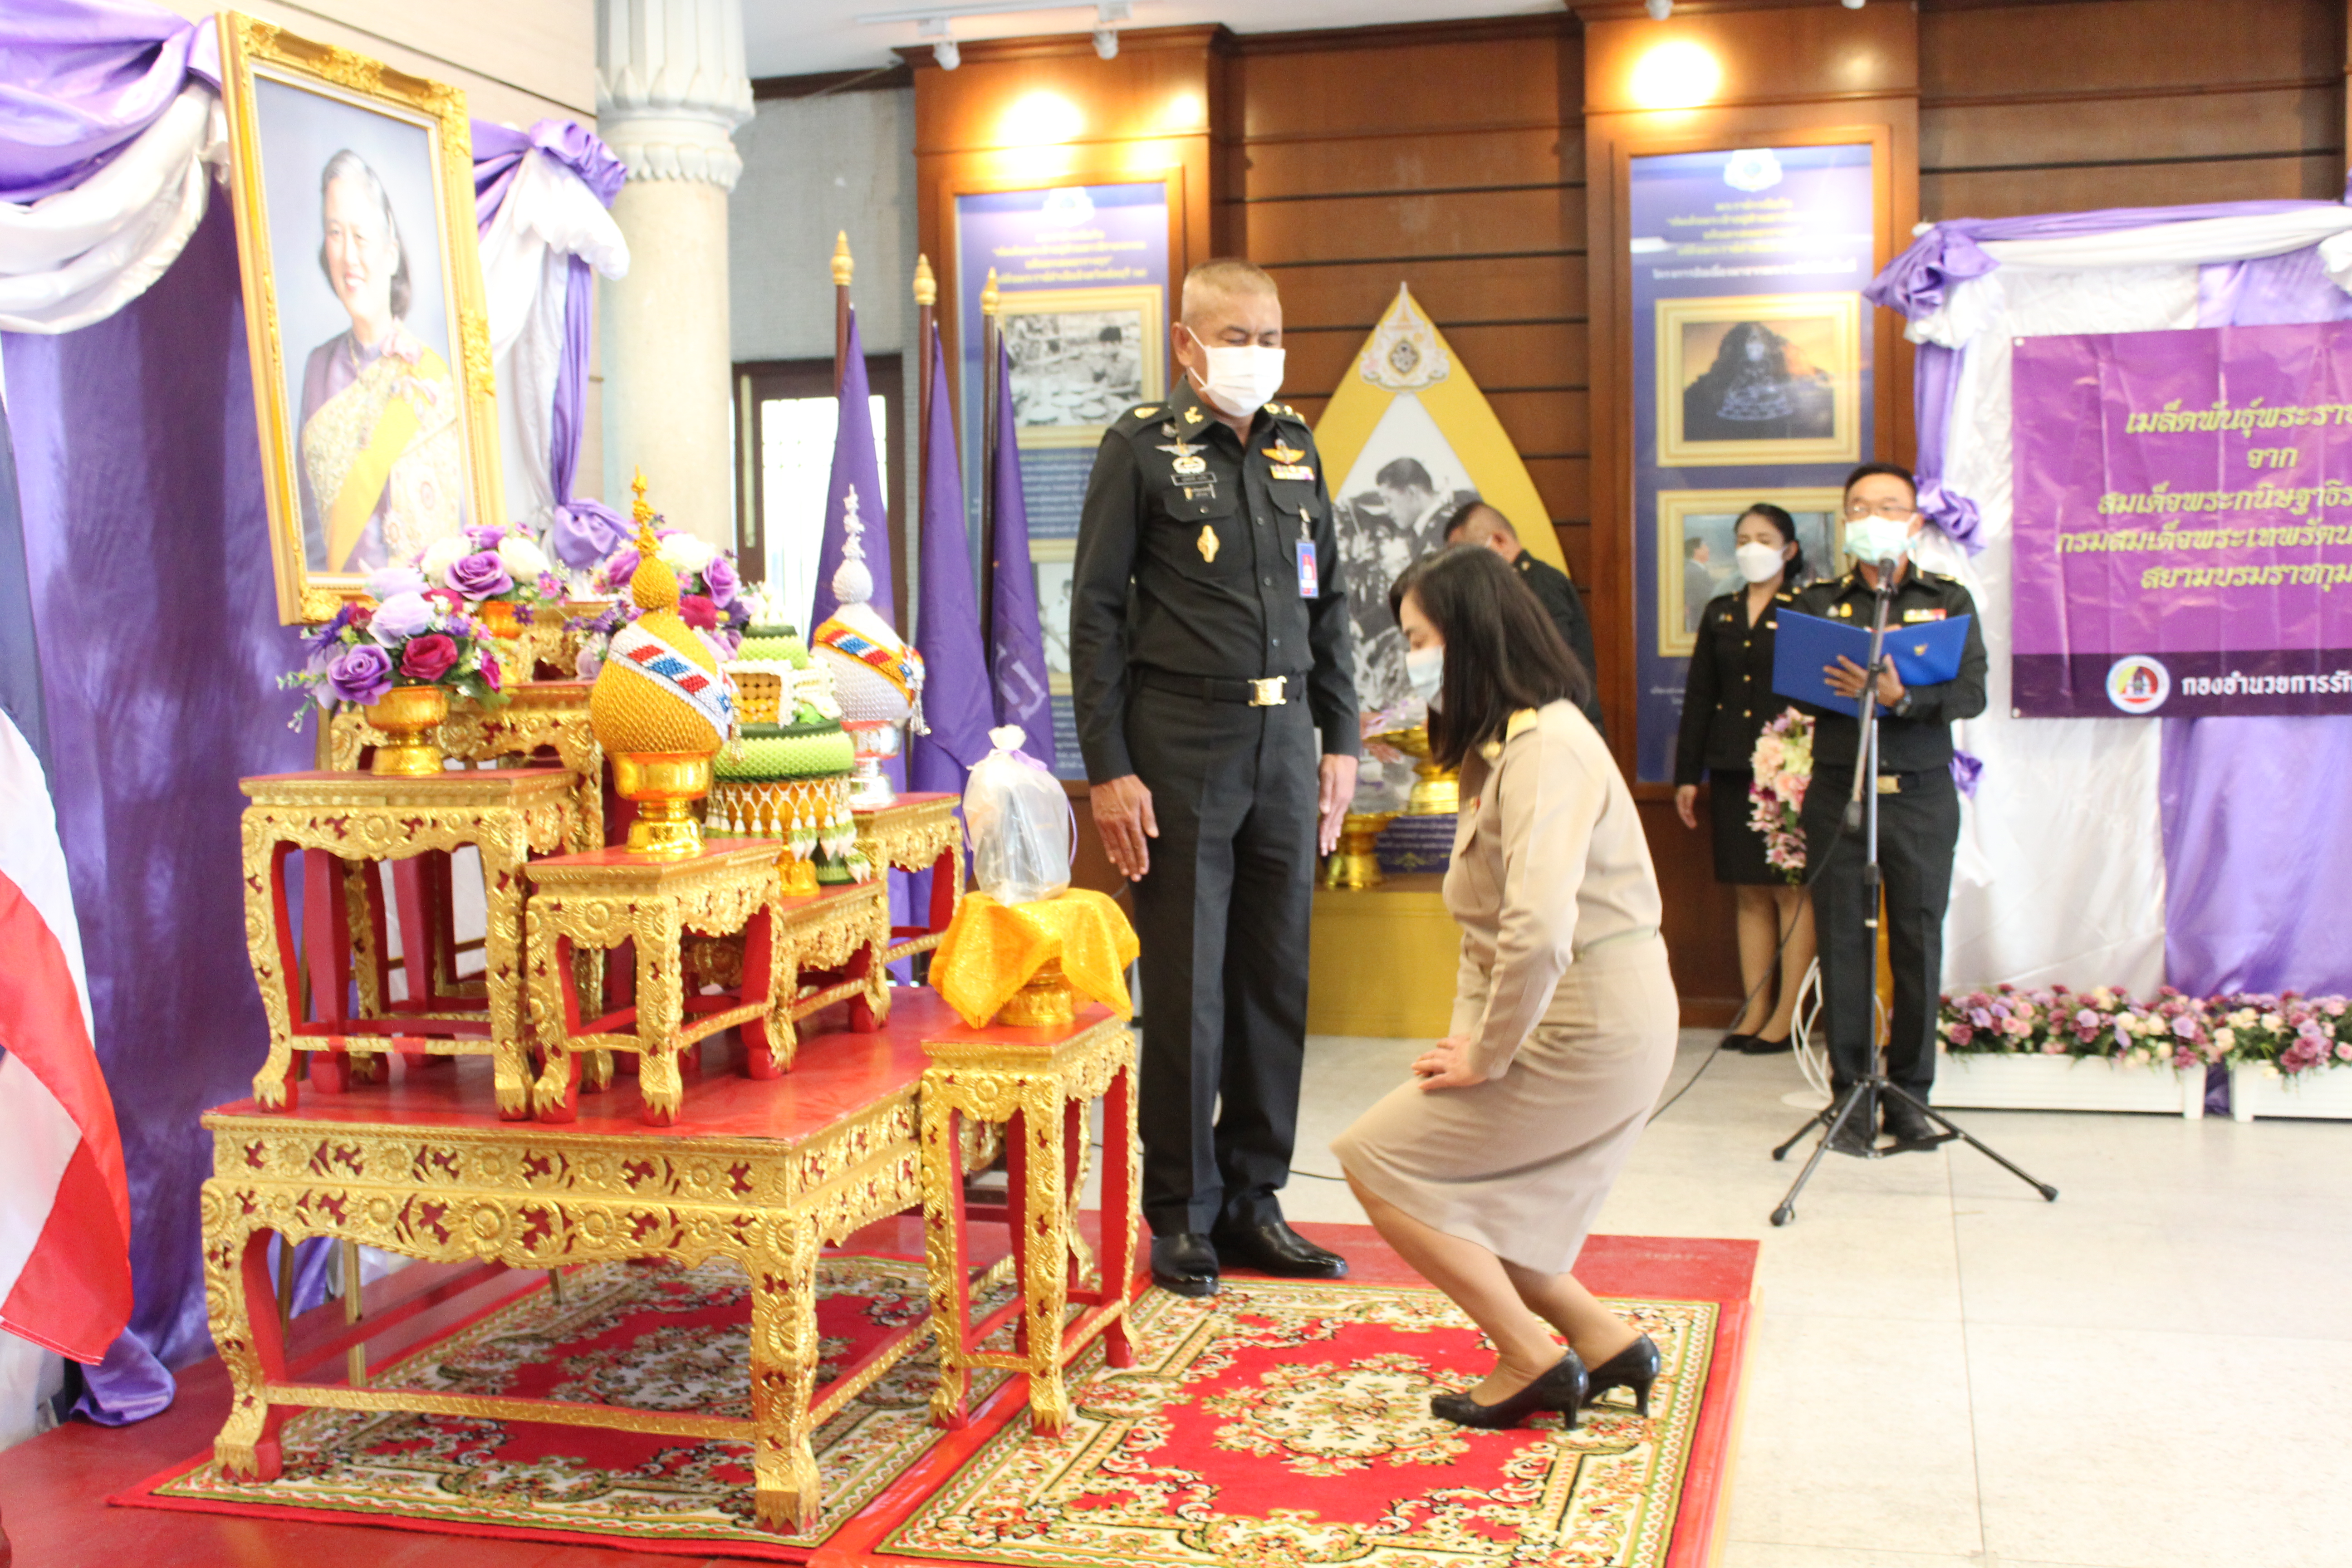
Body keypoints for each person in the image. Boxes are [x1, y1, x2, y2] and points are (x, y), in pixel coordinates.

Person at [1333, 545, 1677, 1430]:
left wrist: (1490, 1052)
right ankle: (1606, 1344)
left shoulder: (1549, 746)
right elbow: (1484, 934)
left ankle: (1529, 1354)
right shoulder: (1498, 750)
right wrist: (1468, 1041)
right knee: (1482, 1198)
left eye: (1419, 639)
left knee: (1379, 1159)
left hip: (1594, 1016)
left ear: (1471, 636)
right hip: (1565, 1009)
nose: (1411, 659)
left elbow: (1538, 929)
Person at [1071, 257, 1360, 1297]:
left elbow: (1331, 603)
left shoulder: (1294, 445)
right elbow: (1095, 617)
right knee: (1189, 991)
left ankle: (1254, 1198)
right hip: (1180, 744)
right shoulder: (1139, 449)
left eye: (1271, 333)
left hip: (1285, 743)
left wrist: (1342, 741)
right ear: (1188, 346)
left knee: (1274, 982)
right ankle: (1180, 1213)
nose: (1260, 353)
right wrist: (1109, 769)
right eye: (1236, 335)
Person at [1793, 463, 1987, 1154]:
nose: (1872, 516)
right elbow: (1795, 693)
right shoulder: (1818, 603)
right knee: (1843, 942)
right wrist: (1848, 691)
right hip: (1843, 795)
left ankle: (1909, 1095)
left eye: (1888, 506)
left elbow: (1971, 694)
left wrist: (1904, 699)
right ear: (1846, 521)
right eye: (1858, 506)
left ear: (1913, 521)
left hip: (1922, 797)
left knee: (1916, 943)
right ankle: (1850, 1096)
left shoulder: (1948, 600)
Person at [1672, 504, 1817, 1054]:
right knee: (1748, 892)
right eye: (1743, 538)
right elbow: (1700, 697)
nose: (1752, 548)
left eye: (1764, 538)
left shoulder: (1807, 608)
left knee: (1790, 891)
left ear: (1790, 550)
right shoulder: (1721, 612)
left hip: (1791, 769)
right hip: (1732, 766)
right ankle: (1755, 1008)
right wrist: (1689, 774)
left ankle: (1787, 1015)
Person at [297, 149, 465, 575]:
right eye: (335, 234)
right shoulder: (317, 368)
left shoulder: (432, 375)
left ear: (390, 254)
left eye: (361, 236)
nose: (349, 256)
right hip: (337, 623)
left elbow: (455, 527)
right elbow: (308, 527)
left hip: (425, 624)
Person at [1444, 499, 1603, 736]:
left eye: (1468, 557)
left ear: (1499, 540)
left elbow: (1549, 670)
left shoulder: (1540, 584)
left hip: (1562, 734)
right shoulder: (1509, 591)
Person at [1682, 535, 1717, 632]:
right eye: (1705, 547)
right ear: (1696, 551)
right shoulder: (1695, 572)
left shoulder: (1697, 570)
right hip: (1699, 621)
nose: (1708, 550)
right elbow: (1709, 596)